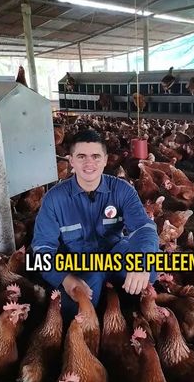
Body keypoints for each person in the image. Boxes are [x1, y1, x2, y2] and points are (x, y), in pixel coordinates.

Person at [32, 129, 159, 321]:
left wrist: (142, 261)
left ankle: (126, 306)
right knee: (75, 310)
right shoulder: (54, 199)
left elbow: (143, 228)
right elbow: (42, 247)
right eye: (81, 156)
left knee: (150, 271)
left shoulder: (122, 190)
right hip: (77, 260)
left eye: (96, 156)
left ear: (106, 160)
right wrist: (64, 278)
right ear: (71, 160)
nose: (89, 163)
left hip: (115, 252)